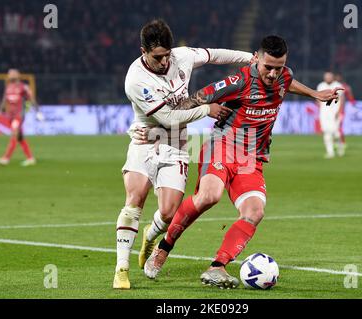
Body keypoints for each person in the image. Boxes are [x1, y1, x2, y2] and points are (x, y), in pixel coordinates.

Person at [142, 35, 343, 288]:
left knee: (254, 212)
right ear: (256, 58)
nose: (272, 74)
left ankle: (217, 267)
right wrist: (160, 129)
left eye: (278, 68)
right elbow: (197, 99)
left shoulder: (284, 75)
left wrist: (316, 94)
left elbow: (288, 83)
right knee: (209, 196)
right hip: (222, 147)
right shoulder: (238, 81)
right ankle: (163, 249)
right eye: (267, 67)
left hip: (252, 157)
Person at [113, 19, 254, 289]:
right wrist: (206, 109)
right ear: (143, 51)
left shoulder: (181, 56)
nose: (165, 61)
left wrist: (251, 60)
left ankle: (151, 234)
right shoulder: (136, 79)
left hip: (176, 143)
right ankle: (122, 269)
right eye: (157, 57)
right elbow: (166, 117)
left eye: (167, 54)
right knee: (134, 199)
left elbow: (215, 55)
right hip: (145, 139)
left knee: (168, 212)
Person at [0, 69, 42, 166]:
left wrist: (38, 111)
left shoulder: (23, 87)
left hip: (19, 115)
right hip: (10, 115)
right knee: (20, 137)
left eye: (11, 73)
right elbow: (4, 99)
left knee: (14, 134)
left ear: (18, 75)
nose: (9, 75)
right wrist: (0, 110)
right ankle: (30, 158)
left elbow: (32, 99)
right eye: (9, 74)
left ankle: (6, 158)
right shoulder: (8, 87)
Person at [316, 71, 345, 158]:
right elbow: (317, 97)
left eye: (329, 76)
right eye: (326, 77)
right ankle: (330, 152)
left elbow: (342, 99)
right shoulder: (321, 85)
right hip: (324, 112)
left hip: (335, 112)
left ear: (332, 77)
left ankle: (340, 147)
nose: (327, 78)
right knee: (326, 132)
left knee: (335, 133)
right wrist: (320, 107)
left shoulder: (338, 85)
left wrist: (339, 111)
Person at [334, 73, 356, 148]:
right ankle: (335, 142)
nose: (337, 79)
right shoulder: (332, 86)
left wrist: (353, 104)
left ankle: (342, 142)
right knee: (332, 127)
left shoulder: (345, 87)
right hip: (331, 110)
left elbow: (350, 97)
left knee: (339, 126)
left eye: (338, 77)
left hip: (340, 110)